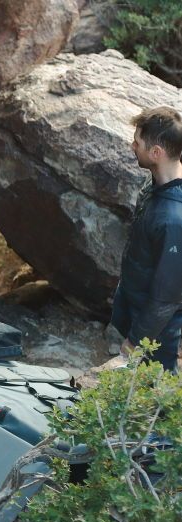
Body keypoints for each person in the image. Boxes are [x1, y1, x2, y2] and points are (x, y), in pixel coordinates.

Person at [111, 106, 182, 373]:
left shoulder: (175, 219)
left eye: (137, 143)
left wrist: (136, 341)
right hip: (137, 310)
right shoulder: (156, 182)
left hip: (157, 335)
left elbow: (167, 298)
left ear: (156, 153)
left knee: (157, 393)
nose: (132, 146)